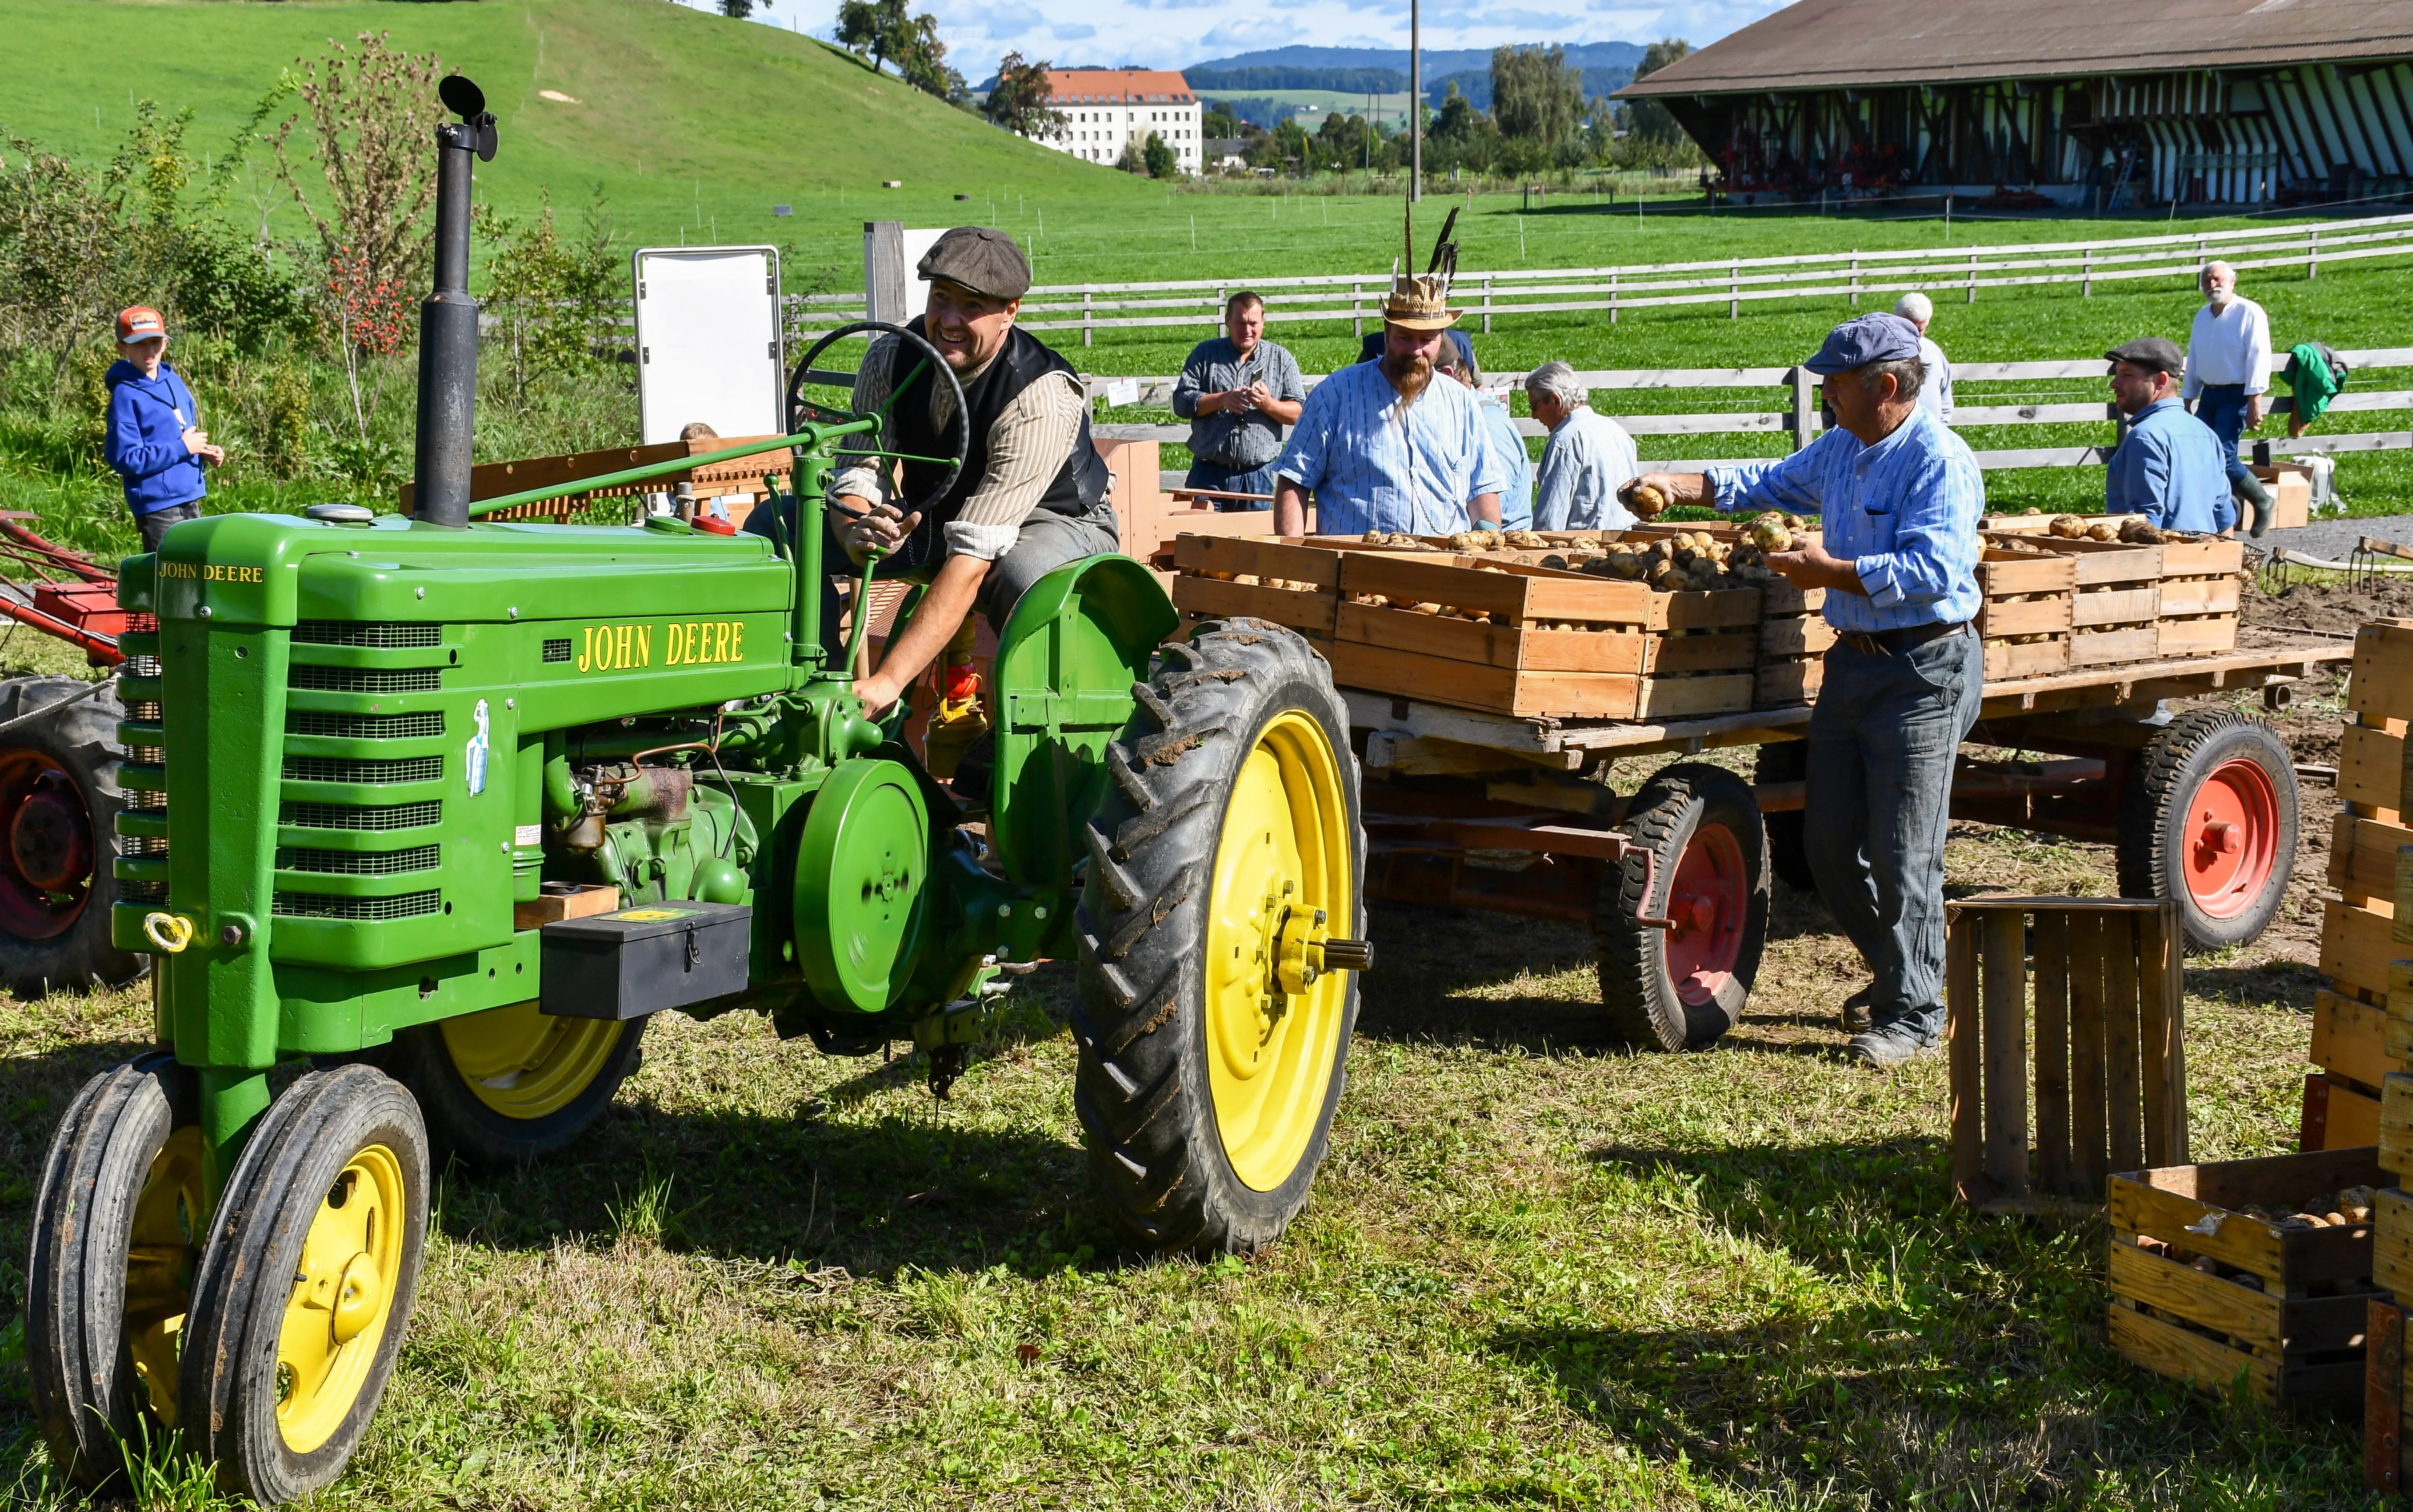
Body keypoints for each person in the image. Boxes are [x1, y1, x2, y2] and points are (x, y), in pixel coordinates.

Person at [1618, 314, 1984, 1067]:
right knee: (1826, 843)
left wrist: (1832, 571)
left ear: (1885, 386)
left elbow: (1936, 574)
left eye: (1836, 382)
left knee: (1902, 850)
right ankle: (1903, 974)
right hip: (1855, 661)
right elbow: (1764, 480)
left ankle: (1914, 1017)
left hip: (1924, 667)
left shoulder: (1938, 461)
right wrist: (1674, 484)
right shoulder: (1845, 448)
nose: (1824, 392)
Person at [805, 226, 1120, 725]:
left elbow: (974, 554)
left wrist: (888, 681)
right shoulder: (891, 356)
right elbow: (861, 469)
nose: (948, 321)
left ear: (1010, 311)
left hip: (1056, 522)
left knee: (1022, 575)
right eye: (940, 297)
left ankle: (1017, 738)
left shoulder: (1040, 396)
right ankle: (810, 691)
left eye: (972, 306)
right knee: (779, 529)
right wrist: (855, 529)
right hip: (939, 515)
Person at [1273, 274, 1507, 538]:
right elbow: (1295, 481)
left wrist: (1488, 540)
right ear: (1386, 333)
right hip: (1355, 567)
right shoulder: (1334, 396)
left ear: (1442, 338)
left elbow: (1482, 488)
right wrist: (1291, 558)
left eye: (1427, 340)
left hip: (1443, 568)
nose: (1416, 351)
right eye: (1405, 338)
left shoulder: (1462, 403)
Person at [1172, 292, 1305, 510]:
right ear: (1227, 321)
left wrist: (1268, 404)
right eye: (1240, 323)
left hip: (1257, 478)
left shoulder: (1281, 359)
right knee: (1202, 542)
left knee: (1252, 544)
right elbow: (1181, 401)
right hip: (1208, 475)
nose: (1247, 330)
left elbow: (1299, 412)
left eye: (1253, 323)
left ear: (1263, 322)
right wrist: (1222, 400)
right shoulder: (1206, 354)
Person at [104, 306, 221, 552]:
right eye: (140, 344)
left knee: (193, 575)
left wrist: (203, 451)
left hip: (190, 495)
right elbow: (126, 458)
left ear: (165, 344)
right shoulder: (125, 395)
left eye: (155, 342)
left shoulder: (174, 382)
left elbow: (183, 436)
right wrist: (182, 448)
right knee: (168, 579)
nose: (150, 351)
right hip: (157, 506)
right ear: (122, 348)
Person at [2104, 337, 2234, 536]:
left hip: (2162, 564)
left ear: (2161, 381)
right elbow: (2224, 519)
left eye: (2127, 375)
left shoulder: (2145, 438)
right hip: (2206, 561)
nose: (2114, 384)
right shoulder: (2205, 434)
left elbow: (2145, 526)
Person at [2182, 260, 2276, 534]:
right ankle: (2223, 505)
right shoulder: (2202, 316)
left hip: (2237, 394)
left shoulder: (2249, 312)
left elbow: (2259, 357)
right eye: (2207, 281)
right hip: (2210, 394)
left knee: (2223, 454)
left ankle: (2262, 500)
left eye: (2218, 280)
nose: (2213, 286)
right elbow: (2196, 356)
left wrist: (2254, 400)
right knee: (2199, 452)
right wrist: (2188, 398)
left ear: (2232, 282)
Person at [1525, 361, 1639, 531]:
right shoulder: (1618, 432)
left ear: (1556, 401)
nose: (1534, 416)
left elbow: (1550, 520)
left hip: (1585, 549)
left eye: (1534, 407)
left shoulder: (1565, 440)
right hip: (1627, 545)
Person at [1435, 344, 1532, 530]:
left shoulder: (1487, 424)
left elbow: (1496, 510)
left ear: (1447, 376)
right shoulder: (1465, 414)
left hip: (1503, 547)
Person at [1893, 293, 1955, 423]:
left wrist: (1941, 427)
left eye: (1921, 329)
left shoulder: (1933, 352)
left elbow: (1945, 394)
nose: (1916, 335)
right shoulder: (1885, 355)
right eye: (1911, 328)